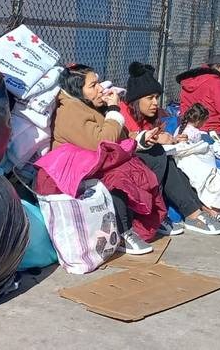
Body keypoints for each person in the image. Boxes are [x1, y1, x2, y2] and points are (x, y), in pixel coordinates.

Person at [52, 64, 165, 255]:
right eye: (93, 85)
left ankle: (150, 217)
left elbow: (119, 136)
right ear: (77, 90)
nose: (100, 89)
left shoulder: (88, 107)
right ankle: (122, 231)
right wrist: (113, 109)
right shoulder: (70, 111)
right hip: (76, 174)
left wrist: (142, 140)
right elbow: (102, 141)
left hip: (96, 163)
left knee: (155, 157)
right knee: (118, 176)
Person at [120, 62, 220, 234]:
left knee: (175, 159)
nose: (155, 103)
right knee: (162, 157)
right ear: (136, 100)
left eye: (156, 97)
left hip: (149, 160)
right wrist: (154, 139)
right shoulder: (121, 114)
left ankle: (199, 209)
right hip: (130, 167)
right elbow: (126, 140)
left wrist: (173, 139)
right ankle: (194, 212)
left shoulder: (149, 116)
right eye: (150, 98)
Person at [175, 54, 220, 136]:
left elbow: (183, 110)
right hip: (213, 132)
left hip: (188, 130)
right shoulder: (217, 83)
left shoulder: (188, 82)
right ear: (216, 68)